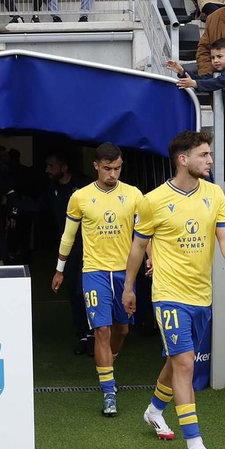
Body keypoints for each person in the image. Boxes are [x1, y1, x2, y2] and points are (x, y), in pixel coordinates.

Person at [122, 130, 225, 449]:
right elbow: (137, 246)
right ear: (183, 159)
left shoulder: (215, 194)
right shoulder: (154, 200)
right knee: (187, 363)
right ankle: (195, 443)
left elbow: (224, 235)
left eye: (209, 154)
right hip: (168, 295)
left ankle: (154, 410)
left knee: (176, 361)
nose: (209, 160)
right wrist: (129, 287)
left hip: (201, 295)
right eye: (203, 155)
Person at [53, 143, 144, 417]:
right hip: (93, 272)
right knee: (101, 331)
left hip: (124, 273)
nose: (113, 174)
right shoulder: (80, 197)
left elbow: (143, 236)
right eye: (107, 168)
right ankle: (108, 391)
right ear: (96, 166)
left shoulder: (134, 195)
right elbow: (68, 236)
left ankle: (109, 365)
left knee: (122, 330)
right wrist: (59, 269)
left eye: (117, 168)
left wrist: (151, 259)